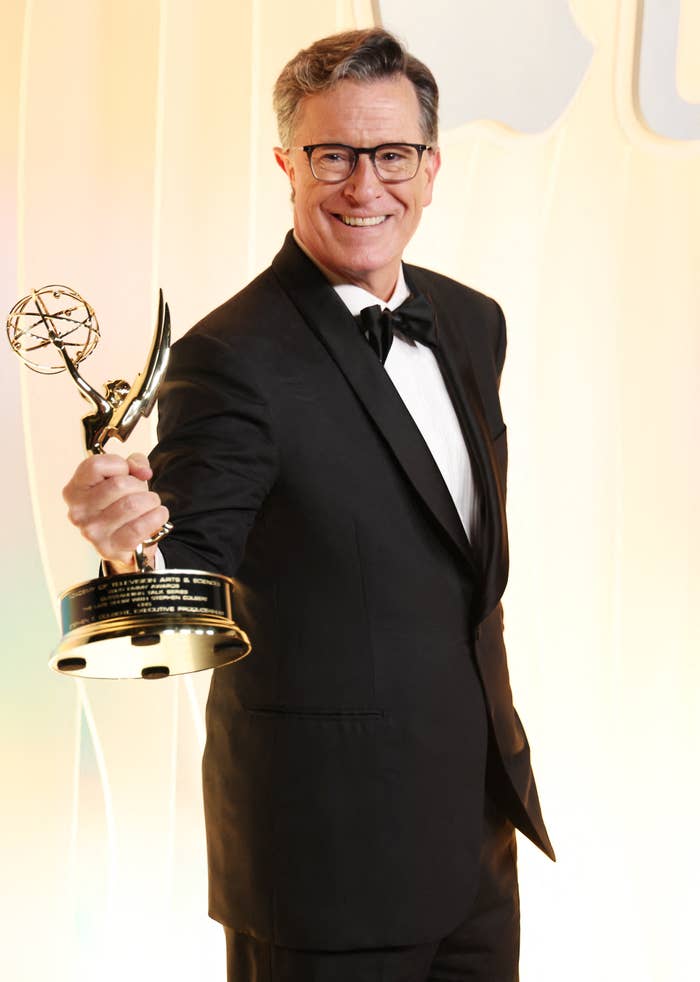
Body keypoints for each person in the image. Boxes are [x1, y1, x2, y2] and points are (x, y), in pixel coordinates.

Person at [63, 28, 554, 982]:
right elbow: (189, 562)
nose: (365, 185)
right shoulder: (231, 355)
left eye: (391, 154)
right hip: (322, 861)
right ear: (288, 162)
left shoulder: (470, 321)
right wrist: (127, 547)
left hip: (475, 838)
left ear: (431, 164)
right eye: (333, 155)